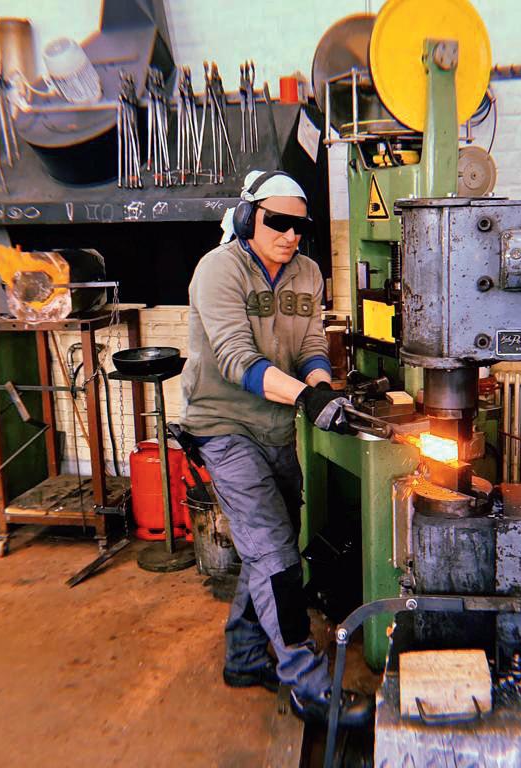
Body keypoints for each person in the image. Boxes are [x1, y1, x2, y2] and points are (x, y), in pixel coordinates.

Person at [180, 170, 372, 727]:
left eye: (299, 226)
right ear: (248, 218)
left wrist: (322, 388)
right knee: (274, 552)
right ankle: (309, 684)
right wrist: (307, 399)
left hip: (275, 425)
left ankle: (244, 658)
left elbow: (311, 346)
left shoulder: (307, 272)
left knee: (271, 544)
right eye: (278, 222)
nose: (290, 235)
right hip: (223, 425)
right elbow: (237, 360)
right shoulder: (218, 270)